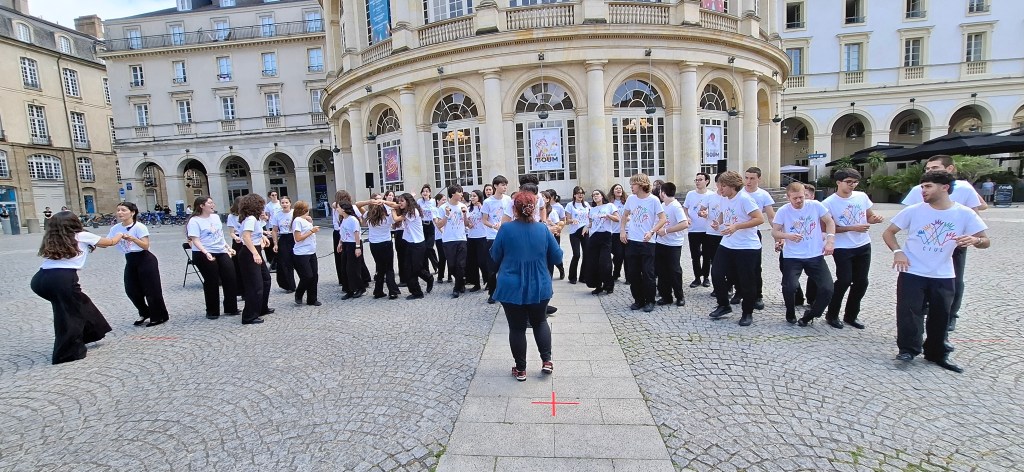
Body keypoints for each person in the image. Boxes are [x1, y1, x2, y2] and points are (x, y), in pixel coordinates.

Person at [883, 170, 990, 373]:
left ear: (945, 187)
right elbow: (889, 232)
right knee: (909, 312)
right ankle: (908, 349)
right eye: (922, 186)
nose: (923, 190)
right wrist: (898, 252)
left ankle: (936, 353)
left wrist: (975, 240)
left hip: (943, 273)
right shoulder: (914, 210)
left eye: (928, 186)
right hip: (912, 271)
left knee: (941, 315)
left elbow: (985, 241)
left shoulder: (964, 213)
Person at [901, 155, 987, 332]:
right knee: (918, 286)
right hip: (925, 246)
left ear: (949, 169)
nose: (929, 171)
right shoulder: (920, 189)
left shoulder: (964, 188)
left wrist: (973, 237)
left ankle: (949, 317)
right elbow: (908, 216)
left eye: (934, 168)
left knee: (954, 281)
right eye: (927, 168)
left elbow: (978, 212)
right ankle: (918, 320)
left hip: (954, 244)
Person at [30, 211, 122, 364]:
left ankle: (91, 333)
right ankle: (67, 353)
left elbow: (99, 245)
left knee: (81, 304)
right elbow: (110, 242)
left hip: (41, 279)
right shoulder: (81, 235)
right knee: (70, 314)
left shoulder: (53, 237)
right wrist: (120, 234)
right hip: (62, 279)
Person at [490, 191, 563, 381]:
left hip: (511, 284)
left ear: (514, 209)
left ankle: (521, 369)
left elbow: (495, 255)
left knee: (516, 327)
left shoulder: (505, 229)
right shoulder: (543, 229)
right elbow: (557, 257)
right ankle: (547, 361)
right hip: (539, 282)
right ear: (534, 209)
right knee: (540, 321)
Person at [821, 168, 885, 330]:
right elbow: (827, 228)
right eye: (849, 182)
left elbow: (869, 216)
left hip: (863, 244)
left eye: (855, 182)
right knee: (844, 280)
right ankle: (832, 314)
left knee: (861, 282)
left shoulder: (861, 196)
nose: (852, 185)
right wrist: (852, 228)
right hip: (843, 247)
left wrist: (875, 218)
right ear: (838, 182)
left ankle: (851, 315)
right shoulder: (828, 203)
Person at [771, 183, 836, 326]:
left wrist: (830, 241)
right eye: (795, 198)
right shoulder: (783, 211)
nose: (799, 200)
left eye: (801, 197)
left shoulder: (815, 205)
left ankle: (811, 314)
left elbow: (830, 222)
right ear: (788, 197)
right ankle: (790, 312)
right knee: (789, 286)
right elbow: (774, 232)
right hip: (792, 256)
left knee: (827, 288)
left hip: (815, 255)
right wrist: (787, 236)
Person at [708, 171, 765, 326]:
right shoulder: (724, 198)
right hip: (727, 243)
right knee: (717, 273)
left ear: (732, 186)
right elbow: (723, 213)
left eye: (723, 186)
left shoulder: (745, 199)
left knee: (746, 281)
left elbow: (759, 219)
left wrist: (737, 226)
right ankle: (723, 305)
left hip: (747, 246)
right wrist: (718, 222)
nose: (720, 189)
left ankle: (747, 313)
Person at [109, 201, 170, 327]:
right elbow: (109, 241)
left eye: (123, 210)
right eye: (118, 210)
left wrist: (133, 239)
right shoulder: (115, 228)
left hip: (145, 259)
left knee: (151, 289)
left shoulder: (139, 227)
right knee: (131, 290)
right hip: (130, 259)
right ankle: (144, 312)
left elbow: (145, 245)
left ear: (132, 212)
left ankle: (159, 316)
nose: (120, 212)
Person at [619, 173, 667, 312]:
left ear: (641, 185)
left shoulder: (653, 200)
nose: (631, 187)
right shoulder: (631, 199)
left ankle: (650, 300)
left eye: (633, 184)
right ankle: (638, 300)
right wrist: (622, 231)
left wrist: (652, 231)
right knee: (633, 273)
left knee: (648, 273)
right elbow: (625, 215)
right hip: (632, 241)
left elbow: (662, 219)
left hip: (647, 241)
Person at [186, 196, 240, 320]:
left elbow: (219, 236)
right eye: (210, 203)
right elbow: (195, 240)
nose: (213, 205)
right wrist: (206, 252)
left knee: (230, 276)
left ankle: (231, 307)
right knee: (212, 280)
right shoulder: (194, 221)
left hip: (220, 250)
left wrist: (227, 247)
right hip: (203, 252)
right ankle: (212, 310)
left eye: (212, 202)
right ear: (201, 206)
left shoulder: (215, 217)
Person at [738, 167, 776, 311]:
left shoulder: (763, 195)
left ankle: (757, 295)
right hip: (736, 232)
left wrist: (777, 234)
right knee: (737, 266)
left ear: (759, 179)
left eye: (752, 178)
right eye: (746, 178)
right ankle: (739, 291)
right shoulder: (739, 193)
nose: (748, 181)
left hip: (753, 233)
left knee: (755, 267)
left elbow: (771, 216)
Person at [385, 193, 434, 299]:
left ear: (408, 202)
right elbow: (394, 204)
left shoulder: (412, 211)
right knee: (408, 269)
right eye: (399, 201)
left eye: (402, 201)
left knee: (416, 268)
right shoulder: (406, 209)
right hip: (409, 242)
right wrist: (383, 202)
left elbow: (396, 218)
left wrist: (392, 210)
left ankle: (429, 278)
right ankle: (417, 292)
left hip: (418, 244)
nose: (400, 203)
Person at [238, 193, 274, 324]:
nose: (263, 208)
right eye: (261, 205)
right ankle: (249, 316)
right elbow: (246, 236)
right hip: (249, 253)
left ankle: (261, 307)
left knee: (266, 279)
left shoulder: (255, 219)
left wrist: (263, 237)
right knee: (255, 285)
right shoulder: (251, 219)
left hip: (255, 250)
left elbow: (254, 233)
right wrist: (255, 253)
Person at [357, 195, 401, 300]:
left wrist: (369, 201)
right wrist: (384, 202)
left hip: (374, 245)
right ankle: (392, 291)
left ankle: (378, 291)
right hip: (386, 243)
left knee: (380, 268)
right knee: (389, 268)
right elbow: (397, 206)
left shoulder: (368, 216)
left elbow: (357, 205)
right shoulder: (388, 216)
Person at [655, 182, 689, 307]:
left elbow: (684, 224)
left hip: (673, 244)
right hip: (660, 242)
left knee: (674, 270)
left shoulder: (676, 206)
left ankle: (679, 296)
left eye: (660, 191)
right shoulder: (662, 205)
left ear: (663, 193)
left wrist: (666, 231)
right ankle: (666, 296)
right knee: (661, 270)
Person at [481, 175, 512, 304]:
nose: (505, 187)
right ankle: (492, 293)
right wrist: (493, 226)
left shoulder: (508, 200)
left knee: (507, 265)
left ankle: (507, 292)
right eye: (502, 185)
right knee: (492, 266)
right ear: (495, 186)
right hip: (492, 237)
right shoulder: (488, 202)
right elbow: (484, 220)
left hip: (506, 236)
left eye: (506, 185)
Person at [585, 189, 618, 295]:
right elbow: (591, 223)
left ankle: (609, 285)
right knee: (593, 262)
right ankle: (598, 285)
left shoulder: (609, 206)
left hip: (605, 236)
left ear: (602, 196)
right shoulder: (592, 209)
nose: (595, 196)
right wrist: (586, 227)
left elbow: (617, 218)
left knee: (605, 262)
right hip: (594, 236)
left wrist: (608, 216)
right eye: (593, 195)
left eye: (597, 194)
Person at [684, 173, 713, 288]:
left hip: (707, 230)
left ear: (707, 181)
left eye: (700, 179)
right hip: (693, 229)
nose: (697, 182)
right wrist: (686, 217)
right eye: (696, 180)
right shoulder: (690, 194)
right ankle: (697, 277)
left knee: (707, 255)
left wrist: (708, 215)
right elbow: (685, 208)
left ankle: (706, 277)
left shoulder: (711, 195)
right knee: (695, 255)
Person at [290, 200, 322, 306]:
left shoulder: (305, 220)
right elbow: (298, 238)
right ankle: (299, 294)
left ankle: (312, 299)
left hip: (311, 251)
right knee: (307, 276)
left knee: (314, 276)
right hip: (301, 253)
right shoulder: (297, 221)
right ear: (304, 210)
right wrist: (312, 231)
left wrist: (310, 223)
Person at [337, 202, 367, 299]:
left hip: (353, 244)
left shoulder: (353, 220)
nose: (337, 209)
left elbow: (356, 233)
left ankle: (360, 288)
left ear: (343, 209)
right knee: (344, 268)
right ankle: (349, 289)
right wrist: (340, 243)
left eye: (338, 208)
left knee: (353, 268)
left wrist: (357, 247)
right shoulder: (343, 219)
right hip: (346, 244)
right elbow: (342, 233)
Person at [270, 196, 297, 293]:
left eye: (286, 202)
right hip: (284, 238)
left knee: (298, 261)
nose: (284, 204)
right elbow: (274, 230)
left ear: (290, 203)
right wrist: (275, 244)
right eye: (282, 203)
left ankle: (305, 282)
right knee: (285, 262)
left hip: (294, 237)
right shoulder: (277, 215)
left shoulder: (295, 213)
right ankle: (290, 285)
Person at [565, 186, 590, 285]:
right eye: (578, 193)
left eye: (582, 193)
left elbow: (590, 218)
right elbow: (567, 220)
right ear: (574, 195)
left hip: (585, 231)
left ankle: (583, 276)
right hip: (574, 232)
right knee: (576, 254)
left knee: (586, 254)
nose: (580, 195)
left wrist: (588, 226)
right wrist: (572, 220)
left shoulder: (586, 205)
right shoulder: (570, 205)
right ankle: (572, 276)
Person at [465, 189, 488, 292]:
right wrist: (467, 223)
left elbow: (486, 218)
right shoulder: (468, 209)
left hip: (482, 236)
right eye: (471, 196)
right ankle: (476, 283)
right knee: (472, 262)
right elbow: (466, 223)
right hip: (471, 237)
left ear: (479, 197)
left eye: (474, 196)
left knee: (482, 261)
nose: (472, 198)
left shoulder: (483, 207)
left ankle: (488, 281)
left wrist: (481, 207)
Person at [541, 190, 566, 280]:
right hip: (540, 239)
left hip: (551, 239)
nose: (540, 199)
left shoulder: (553, 212)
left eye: (543, 197)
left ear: (548, 199)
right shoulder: (536, 212)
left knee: (553, 257)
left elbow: (558, 226)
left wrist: (551, 223)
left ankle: (560, 269)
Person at [226, 197, 247, 298]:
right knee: (238, 266)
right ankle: (241, 290)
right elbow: (231, 232)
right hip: (238, 241)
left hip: (247, 239)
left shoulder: (247, 215)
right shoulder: (231, 216)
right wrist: (236, 237)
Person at [418, 184, 440, 274]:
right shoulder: (419, 201)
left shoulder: (433, 201)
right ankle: (425, 269)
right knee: (423, 248)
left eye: (427, 191)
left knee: (429, 247)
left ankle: (437, 266)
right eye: (423, 191)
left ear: (430, 193)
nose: (425, 193)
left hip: (431, 225)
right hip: (422, 225)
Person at [608, 183, 627, 281]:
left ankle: (628, 277)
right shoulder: (610, 203)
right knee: (618, 254)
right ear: (613, 191)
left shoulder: (627, 202)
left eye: (620, 188)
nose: (619, 190)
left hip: (627, 231)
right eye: (616, 188)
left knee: (627, 255)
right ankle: (616, 272)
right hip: (615, 232)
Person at [263, 191, 283, 270]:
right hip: (272, 225)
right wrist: (265, 218)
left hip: (281, 224)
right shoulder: (268, 206)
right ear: (270, 196)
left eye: (275, 195)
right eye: (273, 195)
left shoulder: (280, 203)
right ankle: (274, 262)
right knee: (274, 242)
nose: (274, 196)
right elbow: (268, 216)